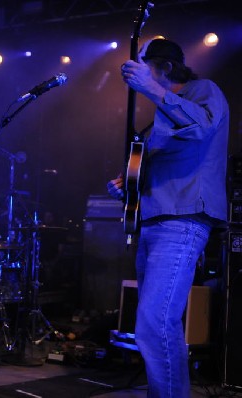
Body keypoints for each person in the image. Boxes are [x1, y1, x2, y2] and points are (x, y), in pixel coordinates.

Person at [107, 38, 229, 397]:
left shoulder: (203, 90)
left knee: (153, 322)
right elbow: (149, 170)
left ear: (166, 68)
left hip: (183, 220)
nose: (141, 74)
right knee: (160, 324)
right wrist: (126, 185)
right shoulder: (158, 120)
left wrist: (151, 89)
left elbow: (203, 127)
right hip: (153, 222)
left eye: (148, 68)